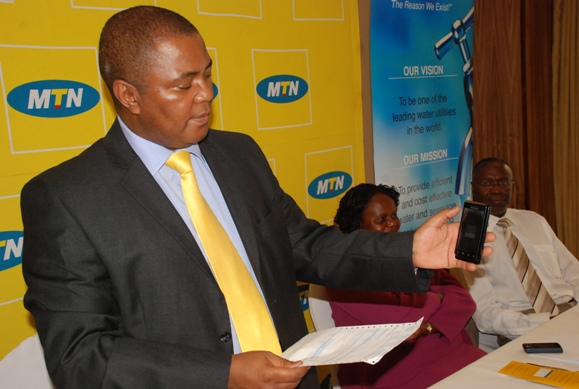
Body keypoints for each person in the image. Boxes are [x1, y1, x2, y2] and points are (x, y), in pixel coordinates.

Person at [20, 6, 491, 389]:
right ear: (128, 94)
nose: (206, 94)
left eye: (207, 74)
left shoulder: (238, 153)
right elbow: (79, 356)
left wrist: (409, 250)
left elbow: (305, 245)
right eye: (183, 85)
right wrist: (222, 375)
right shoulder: (66, 199)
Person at [326, 183, 486, 389]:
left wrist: (428, 326)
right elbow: (402, 321)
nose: (393, 224)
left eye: (393, 215)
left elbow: (463, 299)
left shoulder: (404, 252)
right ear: (357, 226)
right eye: (381, 219)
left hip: (447, 348)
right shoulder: (344, 271)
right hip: (391, 370)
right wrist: (436, 297)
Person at [463, 157, 579, 352]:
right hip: (522, 330)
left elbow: (573, 273)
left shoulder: (534, 220)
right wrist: (547, 322)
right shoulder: (467, 239)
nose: (497, 190)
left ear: (512, 186)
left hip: (570, 313)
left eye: (503, 182)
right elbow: (486, 315)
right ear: (473, 187)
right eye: (487, 183)